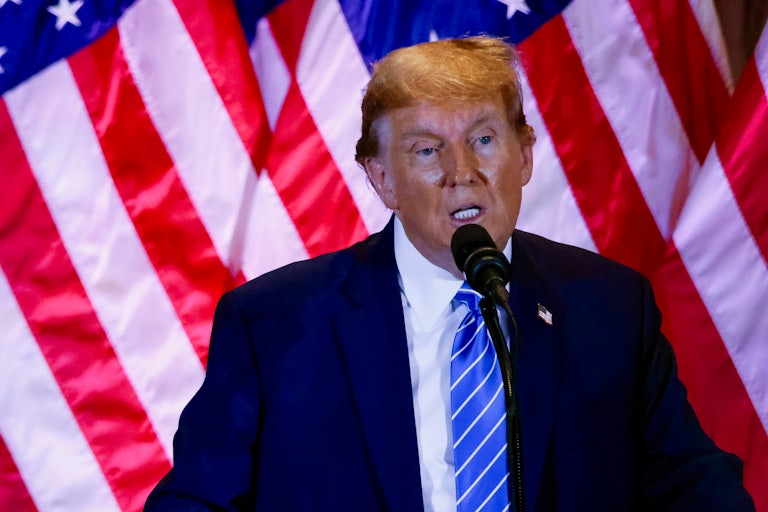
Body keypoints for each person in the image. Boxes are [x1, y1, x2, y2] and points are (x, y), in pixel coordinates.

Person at [145, 36, 754, 511]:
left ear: (525, 155)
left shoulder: (610, 308)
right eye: (427, 150)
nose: (463, 171)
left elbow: (691, 482)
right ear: (382, 178)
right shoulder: (275, 325)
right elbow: (196, 499)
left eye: (484, 138)